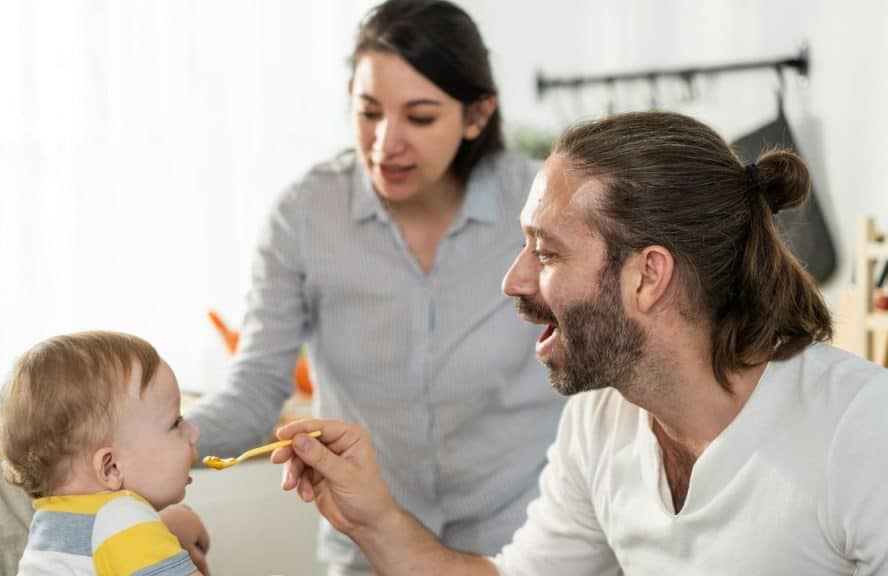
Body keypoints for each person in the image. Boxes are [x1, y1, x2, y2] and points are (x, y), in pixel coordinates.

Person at [272, 110, 888, 575]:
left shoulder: (860, 431)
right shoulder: (600, 422)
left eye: (546, 252)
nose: (513, 280)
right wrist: (373, 519)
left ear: (648, 275)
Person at [183, 0, 565, 572]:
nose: (386, 144)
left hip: (521, 549)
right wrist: (127, 449)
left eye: (419, 117)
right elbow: (258, 386)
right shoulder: (307, 214)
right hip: (367, 554)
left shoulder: (540, 203)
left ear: (477, 115)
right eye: (368, 112)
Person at [0, 331, 210, 575]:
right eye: (176, 423)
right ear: (110, 467)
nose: (194, 433)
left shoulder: (52, 522)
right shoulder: (123, 518)